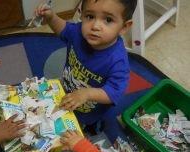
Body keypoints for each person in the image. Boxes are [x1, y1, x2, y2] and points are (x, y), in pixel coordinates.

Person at [35, 0, 137, 128]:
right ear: (81, 14)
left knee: (79, 125)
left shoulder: (117, 61)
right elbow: (63, 29)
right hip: (67, 89)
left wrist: (87, 94)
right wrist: (50, 17)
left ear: (124, 27)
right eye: (90, 16)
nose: (95, 26)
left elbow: (114, 92)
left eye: (108, 20)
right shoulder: (78, 32)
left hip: (88, 110)